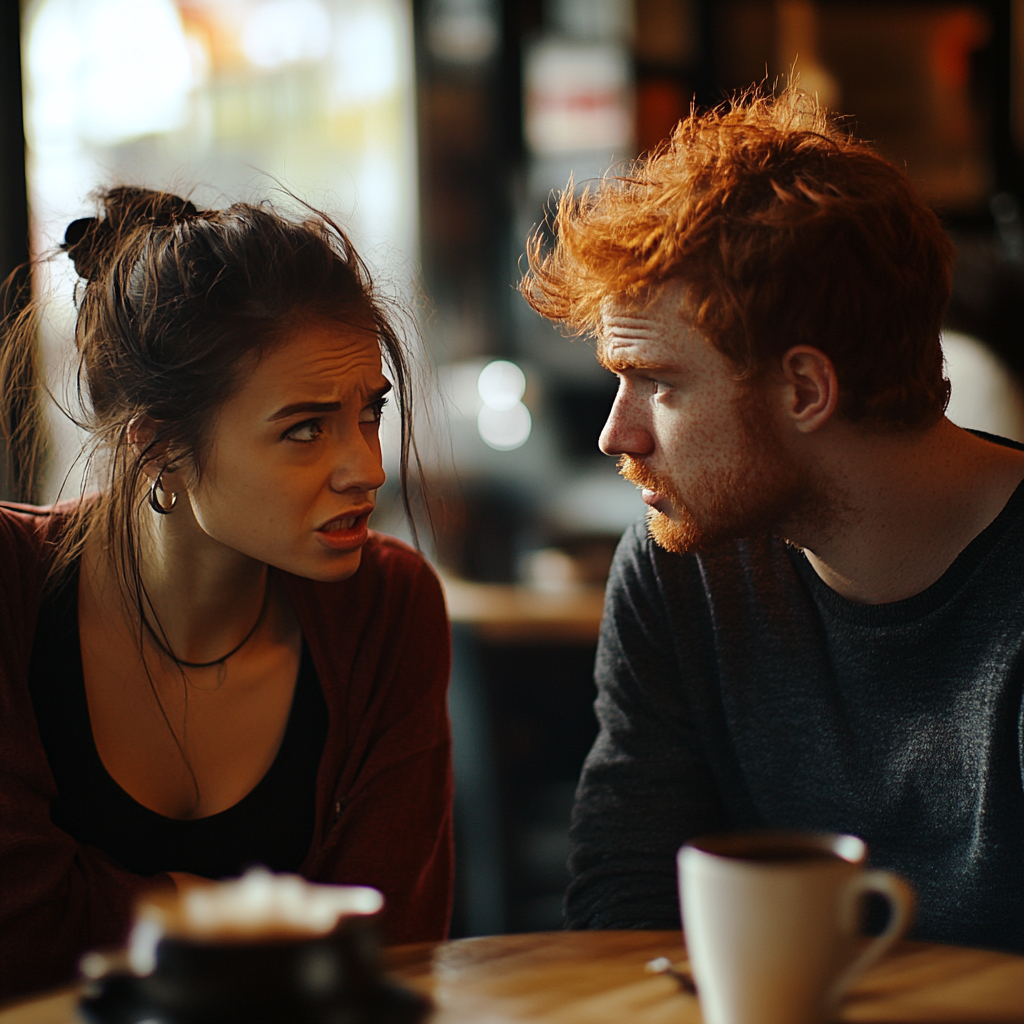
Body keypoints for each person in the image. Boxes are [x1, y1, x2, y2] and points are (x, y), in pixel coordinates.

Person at [521, 88, 1024, 954]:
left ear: (804, 390)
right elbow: (623, 908)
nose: (617, 432)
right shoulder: (681, 560)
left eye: (658, 382)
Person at [0, 188, 453, 1001]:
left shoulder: (387, 607)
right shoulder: (9, 585)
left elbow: (390, 950)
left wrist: (123, 905)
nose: (367, 469)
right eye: (305, 428)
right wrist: (255, 924)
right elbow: (19, 939)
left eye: (369, 414)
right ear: (159, 443)